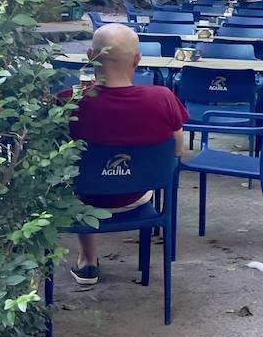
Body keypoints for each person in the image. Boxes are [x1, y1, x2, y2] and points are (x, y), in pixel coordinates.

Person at [66, 24, 188, 287]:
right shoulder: (163, 98)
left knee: (79, 183)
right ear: (138, 59)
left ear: (90, 56)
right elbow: (177, 151)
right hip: (137, 198)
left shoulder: (68, 102)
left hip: (83, 202)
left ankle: (87, 261)